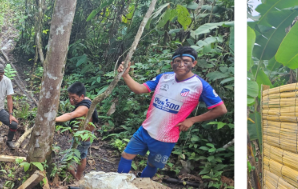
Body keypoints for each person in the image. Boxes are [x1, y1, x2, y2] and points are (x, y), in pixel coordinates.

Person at [116, 46, 227, 178]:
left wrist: (191, 120)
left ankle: (141, 187)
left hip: (167, 136)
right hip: (146, 128)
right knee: (126, 155)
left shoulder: (199, 85)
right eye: (177, 61)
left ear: (194, 63)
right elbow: (140, 89)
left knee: (153, 164)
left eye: (186, 61)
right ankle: (119, 185)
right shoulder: (164, 77)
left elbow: (221, 109)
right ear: (172, 63)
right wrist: (126, 75)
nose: (181, 65)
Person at [55, 82, 99, 180]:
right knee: (82, 156)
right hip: (84, 136)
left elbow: (71, 115)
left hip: (83, 138)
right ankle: (78, 177)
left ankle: (76, 178)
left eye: (73, 98)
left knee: (65, 162)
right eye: (69, 97)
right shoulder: (87, 100)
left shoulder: (84, 107)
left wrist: (53, 119)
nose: (71, 100)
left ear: (81, 96)